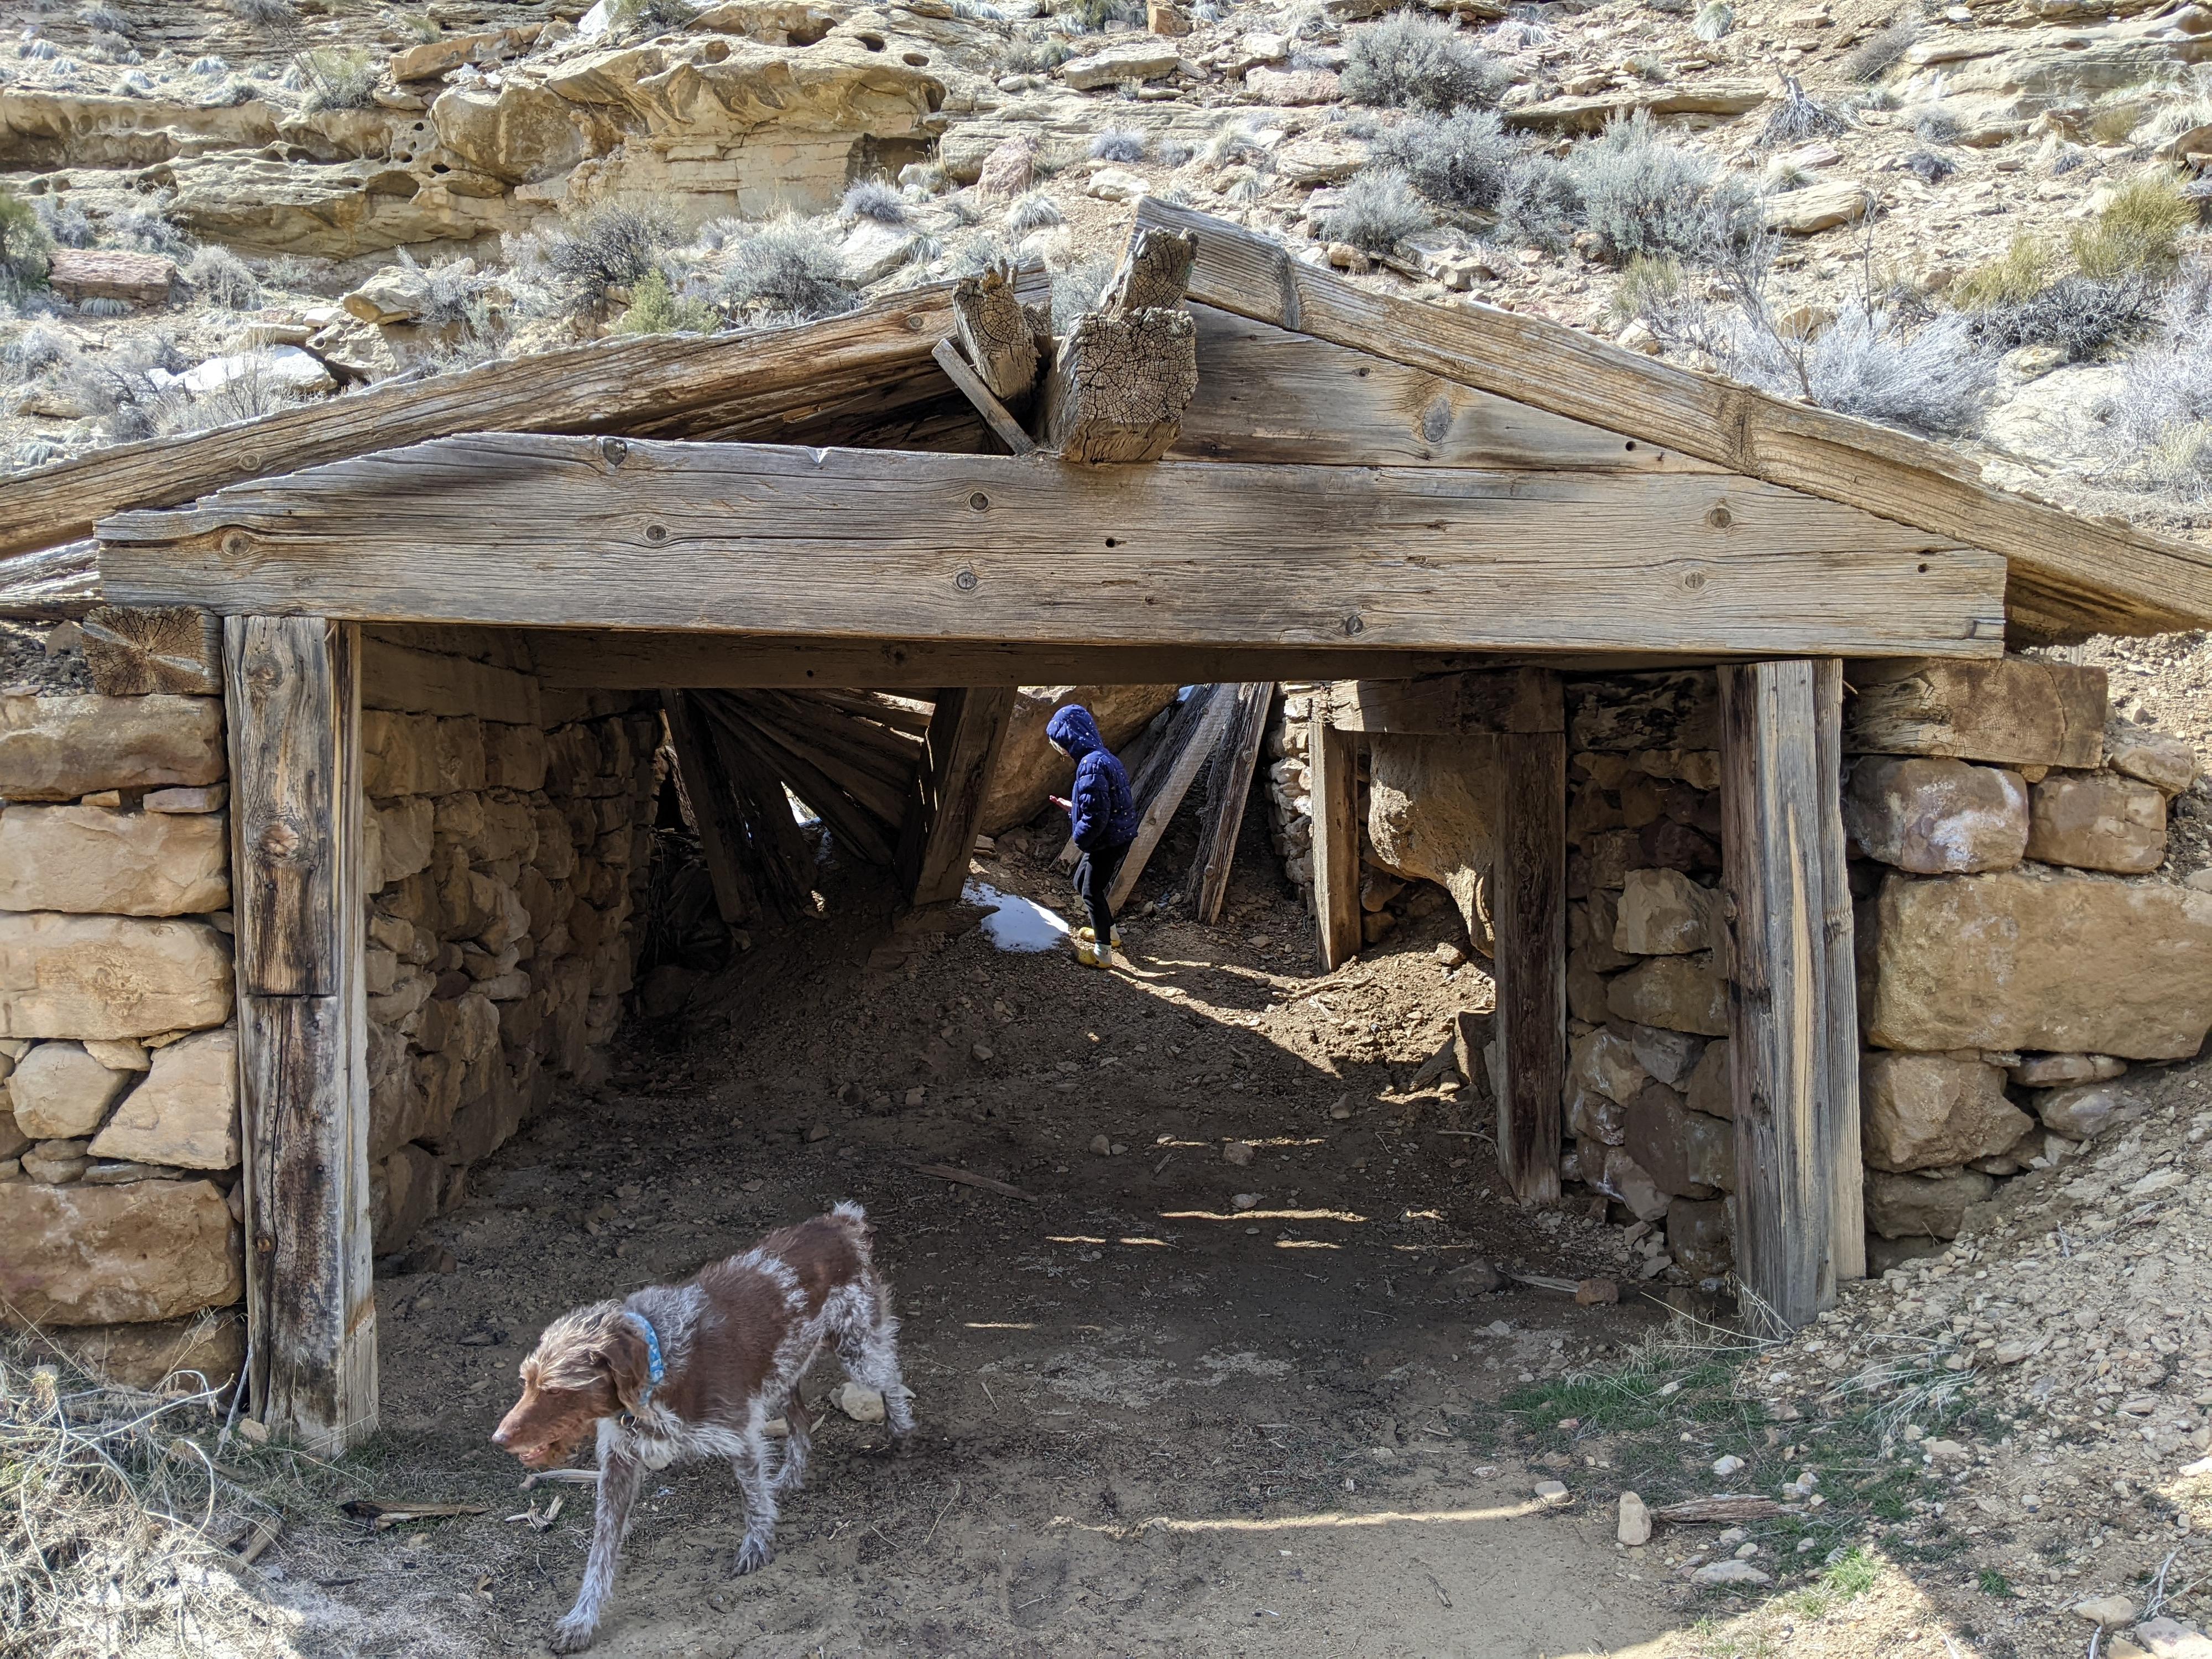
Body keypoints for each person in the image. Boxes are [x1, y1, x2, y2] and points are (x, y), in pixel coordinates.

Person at [1045, 703, 1139, 969]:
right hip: (1116, 835)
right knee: (1081, 883)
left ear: (1071, 737)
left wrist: (1081, 840)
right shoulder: (1101, 758)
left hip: (1107, 841)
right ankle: (1111, 934)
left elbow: (1097, 817)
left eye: (1059, 741)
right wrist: (1073, 808)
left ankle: (1102, 954)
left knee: (1091, 891)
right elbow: (1101, 803)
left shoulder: (1090, 765)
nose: (1059, 749)